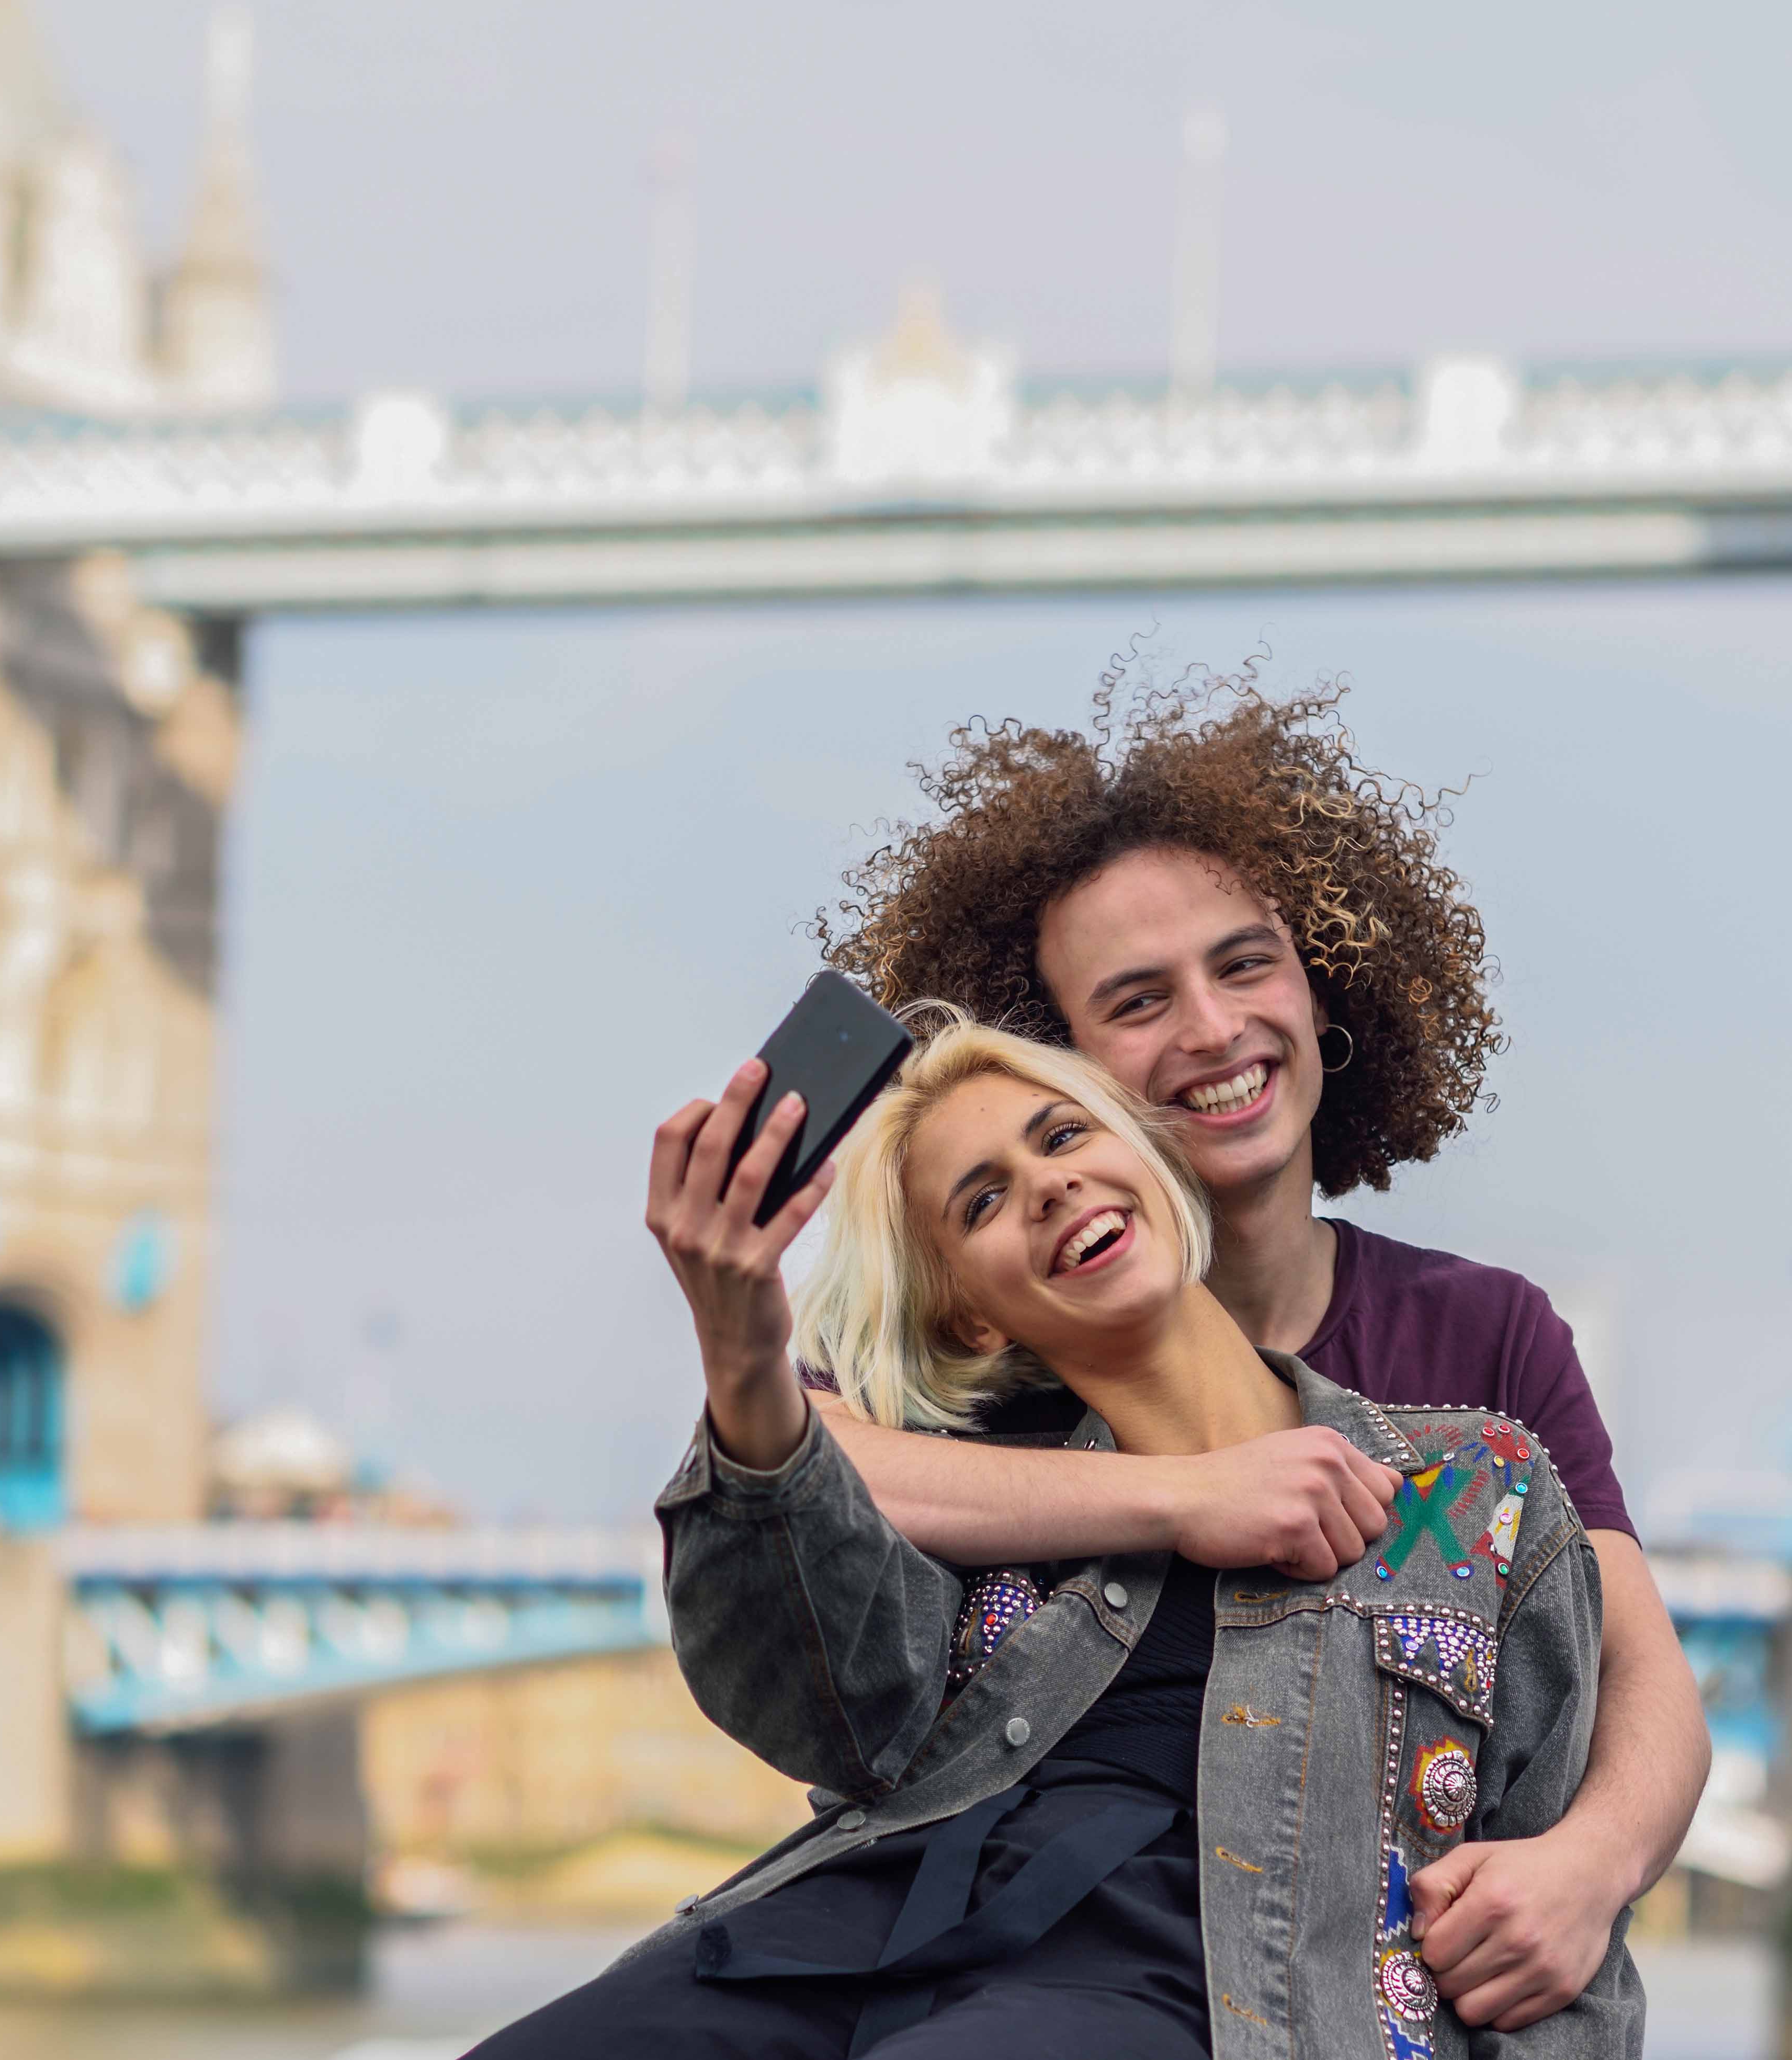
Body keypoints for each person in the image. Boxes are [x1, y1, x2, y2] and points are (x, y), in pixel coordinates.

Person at [801, 667, 1706, 2030]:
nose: (1216, 1030)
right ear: (1057, 1071)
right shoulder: (982, 1354)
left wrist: (1591, 1863)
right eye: (1139, 1000)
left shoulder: (1472, 1337)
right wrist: (1187, 1496)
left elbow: (1639, 1674)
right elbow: (807, 1482)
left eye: (1244, 963)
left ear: (1321, 979)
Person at [479, 1019, 1639, 2058]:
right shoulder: (983, 1503)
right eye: (981, 1199)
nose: (1045, 1183)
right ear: (970, 1312)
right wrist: (739, 1346)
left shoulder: (1466, 1485)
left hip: (1213, 1979)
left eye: (1064, 1133)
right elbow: (809, 1696)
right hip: (865, 1930)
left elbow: (1557, 1938)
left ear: (1148, 1158)